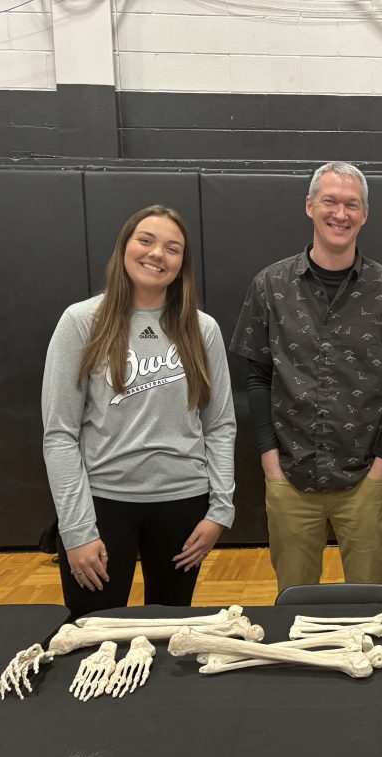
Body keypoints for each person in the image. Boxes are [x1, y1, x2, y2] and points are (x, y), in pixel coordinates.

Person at [229, 161, 382, 592]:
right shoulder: (269, 286)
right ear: (310, 206)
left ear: (365, 214)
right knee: (294, 599)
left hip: (365, 478)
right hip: (290, 476)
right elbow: (256, 377)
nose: (341, 213)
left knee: (374, 603)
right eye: (330, 201)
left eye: (352, 204)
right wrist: (269, 461)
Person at [42, 204, 236, 618]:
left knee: (171, 635)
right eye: (146, 240)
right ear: (124, 247)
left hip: (184, 505)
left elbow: (219, 425)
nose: (156, 254)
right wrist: (76, 530)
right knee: (94, 634)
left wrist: (221, 509)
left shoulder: (203, 329)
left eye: (172, 248)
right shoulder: (81, 321)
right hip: (103, 505)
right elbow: (59, 434)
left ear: (183, 263)